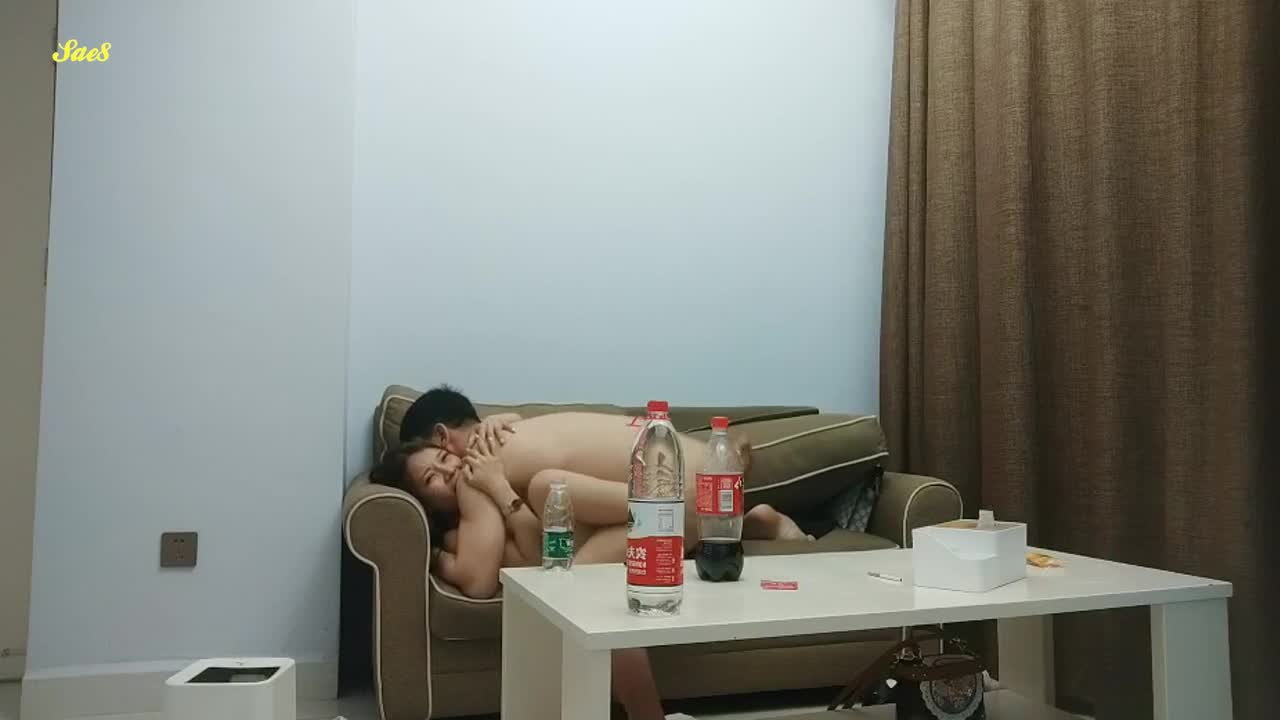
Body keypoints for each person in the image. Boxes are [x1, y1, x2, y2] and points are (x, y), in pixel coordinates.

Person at [372, 385, 811, 720]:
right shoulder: (517, 430)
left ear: (442, 438)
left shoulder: (478, 463)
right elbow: (535, 545)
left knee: (582, 595)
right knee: (551, 494)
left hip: (683, 488)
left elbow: (479, 577)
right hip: (711, 472)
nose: (448, 471)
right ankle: (749, 522)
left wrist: (436, 552)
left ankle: (647, 714)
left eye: (438, 458)